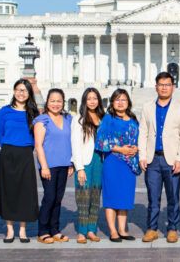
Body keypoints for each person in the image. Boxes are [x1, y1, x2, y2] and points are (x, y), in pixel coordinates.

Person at [138, 71, 180, 243]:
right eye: (161, 85)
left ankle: (172, 228)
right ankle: (152, 228)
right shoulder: (147, 107)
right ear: (156, 87)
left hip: (171, 160)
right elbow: (143, 132)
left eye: (167, 85)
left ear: (173, 87)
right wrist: (142, 155)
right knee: (153, 197)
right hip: (153, 158)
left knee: (173, 197)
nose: (164, 88)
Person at [0, 79, 39, 243]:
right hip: (8, 153)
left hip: (26, 154)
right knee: (9, 190)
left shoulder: (33, 113)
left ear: (29, 93)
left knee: (25, 191)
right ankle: (10, 229)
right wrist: (8, 146)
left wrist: (28, 148)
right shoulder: (5, 111)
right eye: (19, 90)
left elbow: (37, 136)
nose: (21, 93)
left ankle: (23, 230)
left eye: (25, 90)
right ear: (14, 91)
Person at [96, 88, 141, 242]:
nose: (120, 103)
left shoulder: (133, 119)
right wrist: (121, 149)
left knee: (124, 198)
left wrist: (137, 148)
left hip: (129, 165)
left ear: (128, 102)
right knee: (111, 197)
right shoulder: (108, 119)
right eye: (117, 100)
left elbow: (139, 138)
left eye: (123, 99)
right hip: (113, 162)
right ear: (112, 103)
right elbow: (101, 140)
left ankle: (122, 229)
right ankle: (113, 231)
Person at [33, 88, 73, 244]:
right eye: (52, 101)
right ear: (47, 102)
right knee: (49, 198)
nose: (56, 104)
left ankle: (54, 230)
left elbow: (70, 142)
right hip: (49, 166)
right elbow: (38, 145)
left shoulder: (68, 119)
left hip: (64, 164)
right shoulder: (42, 120)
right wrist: (44, 166)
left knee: (58, 199)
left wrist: (71, 164)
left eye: (59, 101)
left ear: (63, 102)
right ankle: (43, 231)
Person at [71, 87, 105, 244]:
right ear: (84, 101)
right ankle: (82, 232)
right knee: (83, 196)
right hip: (85, 161)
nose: (92, 101)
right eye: (89, 98)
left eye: (95, 98)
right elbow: (75, 145)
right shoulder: (79, 119)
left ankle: (92, 229)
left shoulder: (103, 118)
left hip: (100, 161)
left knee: (95, 197)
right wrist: (79, 168)